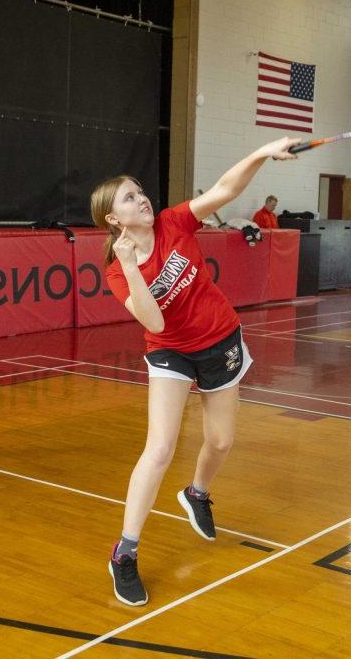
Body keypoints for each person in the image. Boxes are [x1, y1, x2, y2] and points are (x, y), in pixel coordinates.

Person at [93, 137, 298, 606]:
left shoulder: (173, 222)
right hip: (171, 351)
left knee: (222, 440)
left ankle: (197, 492)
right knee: (160, 447)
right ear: (113, 219)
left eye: (139, 190)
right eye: (128, 197)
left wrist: (263, 151)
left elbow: (225, 189)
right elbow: (155, 322)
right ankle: (125, 553)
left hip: (220, 337)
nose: (141, 197)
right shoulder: (116, 270)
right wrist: (131, 266)